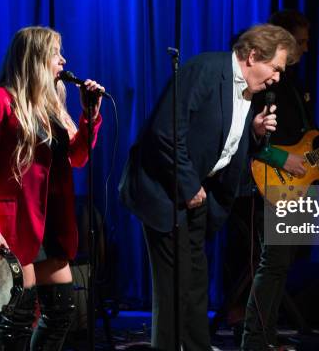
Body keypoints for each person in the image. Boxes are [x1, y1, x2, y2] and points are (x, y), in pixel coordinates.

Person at [119, 24, 298, 350]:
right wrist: (188, 187)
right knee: (174, 290)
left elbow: (225, 147)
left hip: (199, 199)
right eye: (275, 68)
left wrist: (255, 134)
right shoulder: (206, 70)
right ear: (254, 55)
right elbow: (165, 132)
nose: (277, 78)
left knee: (195, 287)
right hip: (165, 192)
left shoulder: (246, 91)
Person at [240, 10, 319, 350]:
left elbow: (312, 145)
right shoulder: (268, 83)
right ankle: (254, 340)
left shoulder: (296, 86)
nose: (306, 49)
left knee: (281, 266)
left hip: (297, 185)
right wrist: (285, 159)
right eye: (301, 42)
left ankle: (264, 338)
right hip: (273, 179)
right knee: (273, 264)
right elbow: (250, 138)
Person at [0, 26, 104, 351]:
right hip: (14, 226)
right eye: (56, 53)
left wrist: (90, 115)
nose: (63, 60)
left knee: (60, 312)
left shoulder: (51, 105)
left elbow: (77, 157)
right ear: (37, 59)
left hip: (51, 225)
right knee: (17, 317)